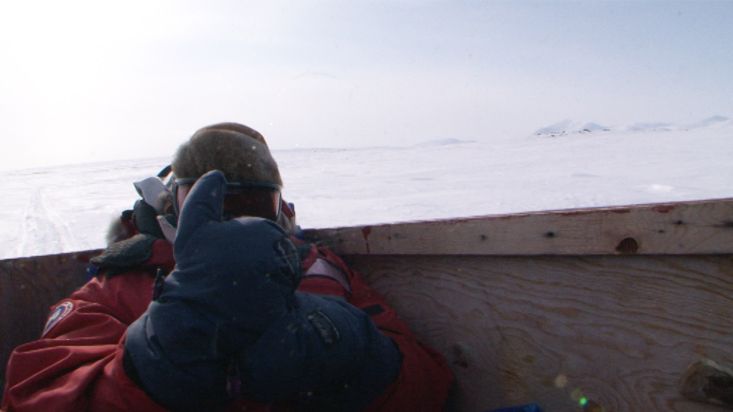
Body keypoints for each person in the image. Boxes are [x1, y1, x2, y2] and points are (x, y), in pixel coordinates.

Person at [2, 123, 453, 411]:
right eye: (208, 204)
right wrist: (153, 367)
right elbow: (35, 394)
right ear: (170, 210)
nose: (231, 221)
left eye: (251, 203)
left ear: (280, 212)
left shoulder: (323, 272)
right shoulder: (118, 286)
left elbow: (430, 385)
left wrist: (356, 354)